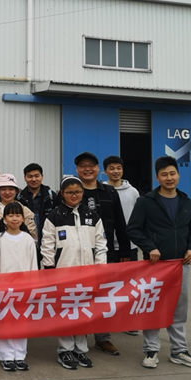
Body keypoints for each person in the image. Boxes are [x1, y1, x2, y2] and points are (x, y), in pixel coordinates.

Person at [127, 156, 191, 370]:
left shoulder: (186, 201)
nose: (169, 178)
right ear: (157, 177)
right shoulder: (146, 202)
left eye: (172, 173)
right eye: (164, 174)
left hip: (181, 264)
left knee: (179, 308)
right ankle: (151, 350)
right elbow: (133, 229)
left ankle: (179, 350)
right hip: (155, 265)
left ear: (178, 175)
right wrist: (149, 247)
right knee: (154, 306)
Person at [41, 176, 107, 370]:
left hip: (88, 272)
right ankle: (65, 350)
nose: (74, 195)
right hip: (64, 272)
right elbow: (47, 245)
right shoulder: (55, 216)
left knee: (84, 312)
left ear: (82, 193)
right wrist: (49, 269)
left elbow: (101, 243)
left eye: (77, 192)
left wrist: (100, 267)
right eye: (69, 192)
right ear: (62, 194)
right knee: (66, 312)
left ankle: (81, 349)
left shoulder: (92, 215)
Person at [74, 152, 131, 356]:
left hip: (106, 252)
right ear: (77, 170)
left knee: (104, 295)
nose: (87, 169)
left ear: (98, 169)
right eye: (82, 166)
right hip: (78, 253)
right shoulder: (72, 191)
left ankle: (103, 338)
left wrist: (124, 250)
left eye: (91, 165)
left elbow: (120, 222)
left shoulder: (109, 192)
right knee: (80, 295)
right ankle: (79, 338)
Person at [0, 202, 38, 372]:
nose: (14, 219)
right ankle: (6, 356)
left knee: (21, 322)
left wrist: (34, 286)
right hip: (5, 289)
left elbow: (33, 264)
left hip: (24, 288)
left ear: (23, 218)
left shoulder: (28, 239)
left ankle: (20, 355)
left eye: (18, 215)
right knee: (6, 321)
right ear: (4, 219)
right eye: (10, 215)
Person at [0, 174, 37, 272]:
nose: (7, 192)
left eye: (11, 189)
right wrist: (5, 254)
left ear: (16, 191)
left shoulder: (26, 212)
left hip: (23, 263)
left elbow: (33, 238)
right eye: (3, 189)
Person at [17, 162, 58, 263]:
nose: (33, 179)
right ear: (24, 178)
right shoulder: (19, 197)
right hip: (26, 243)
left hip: (48, 242)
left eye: (37, 176)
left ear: (42, 176)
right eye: (30, 176)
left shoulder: (51, 196)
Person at [103, 156, 140, 261]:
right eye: (111, 168)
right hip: (106, 245)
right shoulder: (102, 192)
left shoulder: (133, 192)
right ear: (105, 171)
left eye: (119, 168)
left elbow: (138, 217)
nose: (116, 171)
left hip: (130, 245)